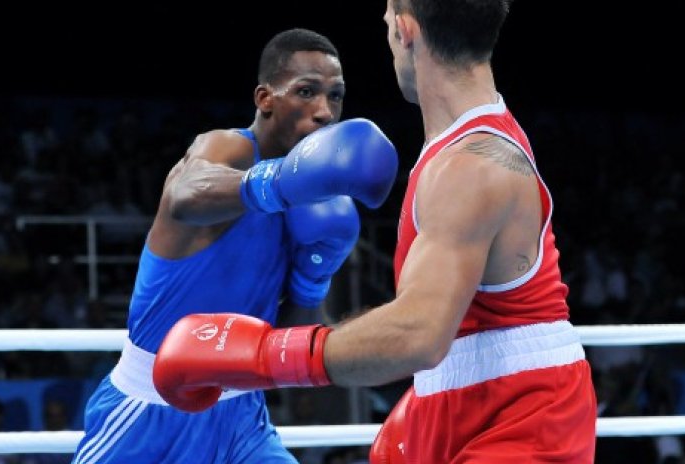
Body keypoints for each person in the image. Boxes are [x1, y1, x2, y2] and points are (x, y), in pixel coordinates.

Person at [152, 0, 597, 462]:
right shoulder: (457, 149)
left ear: (404, 30)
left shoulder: (472, 166)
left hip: (520, 419)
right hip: (470, 401)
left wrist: (264, 354)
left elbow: (418, 335)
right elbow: (464, 330)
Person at [72, 28, 398, 464]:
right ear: (265, 98)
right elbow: (184, 194)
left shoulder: (312, 205)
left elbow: (289, 339)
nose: (324, 112)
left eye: (335, 96)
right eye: (306, 91)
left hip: (244, 418)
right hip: (150, 412)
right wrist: (274, 184)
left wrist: (311, 278)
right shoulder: (228, 149)